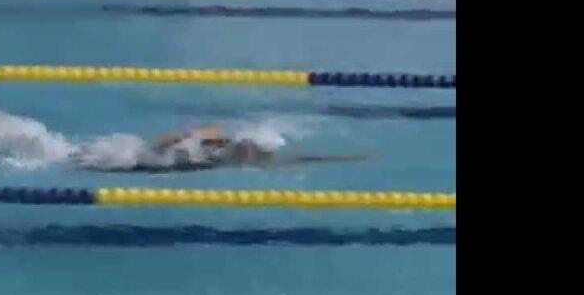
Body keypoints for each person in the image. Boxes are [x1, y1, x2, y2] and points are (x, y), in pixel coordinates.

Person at [72, 124, 371, 173]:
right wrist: (173, 141)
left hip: (142, 165)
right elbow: (163, 141)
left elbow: (303, 158)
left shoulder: (248, 162)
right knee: (74, 160)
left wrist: (346, 157)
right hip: (131, 156)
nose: (251, 155)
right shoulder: (217, 140)